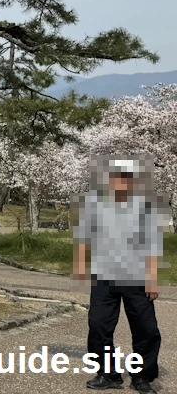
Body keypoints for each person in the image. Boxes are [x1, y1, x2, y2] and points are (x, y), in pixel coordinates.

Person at [74, 158, 162, 393]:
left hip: (136, 276)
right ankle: (108, 374)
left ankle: (142, 376)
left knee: (146, 328)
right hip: (104, 276)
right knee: (99, 326)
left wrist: (152, 277)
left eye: (124, 179)